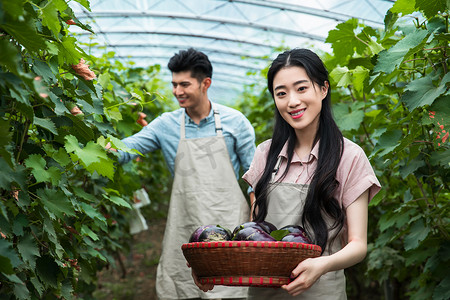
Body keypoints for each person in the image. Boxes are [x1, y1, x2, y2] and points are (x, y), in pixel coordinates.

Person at [240, 48, 380, 299]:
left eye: (302, 88)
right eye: (281, 93)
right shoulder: (265, 153)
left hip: (322, 288)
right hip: (264, 290)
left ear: (323, 89)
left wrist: (321, 265)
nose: (292, 101)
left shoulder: (349, 155)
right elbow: (254, 232)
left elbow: (358, 245)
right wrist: (211, 269)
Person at [116, 48, 255, 299]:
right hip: (187, 223)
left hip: (230, 222)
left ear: (206, 83)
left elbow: (254, 178)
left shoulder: (236, 122)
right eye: (174, 84)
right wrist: (90, 136)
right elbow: (125, 150)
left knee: (231, 290)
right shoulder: (165, 125)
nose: (177, 91)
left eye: (184, 84)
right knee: (182, 286)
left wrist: (256, 223)